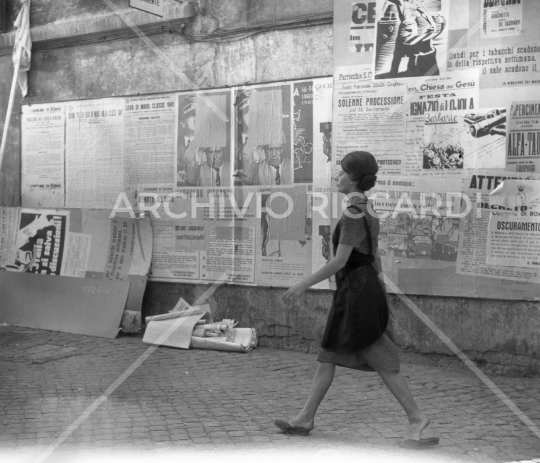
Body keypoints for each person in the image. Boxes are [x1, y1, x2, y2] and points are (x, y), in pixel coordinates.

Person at [274, 151, 439, 449]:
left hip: (356, 294)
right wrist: (380, 290)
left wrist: (302, 285)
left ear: (352, 178)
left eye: (340, 173)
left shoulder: (353, 214)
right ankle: (305, 418)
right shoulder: (368, 210)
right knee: (329, 354)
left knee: (382, 357)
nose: (337, 178)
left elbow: (339, 261)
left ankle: (417, 418)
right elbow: (374, 256)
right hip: (361, 290)